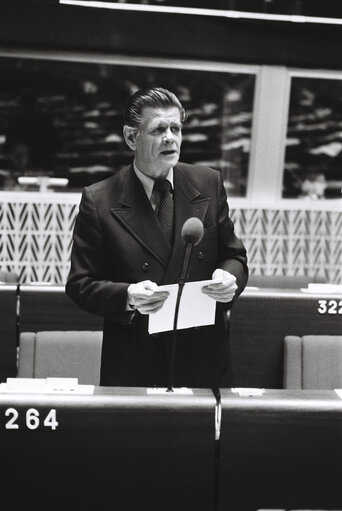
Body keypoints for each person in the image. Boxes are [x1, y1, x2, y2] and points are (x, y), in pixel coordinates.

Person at [66, 87, 248, 389]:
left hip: (202, 356)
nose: (170, 137)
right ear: (130, 138)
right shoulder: (99, 200)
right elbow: (80, 284)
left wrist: (230, 279)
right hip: (135, 360)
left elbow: (234, 255)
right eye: (158, 129)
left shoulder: (209, 182)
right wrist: (127, 296)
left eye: (175, 128)